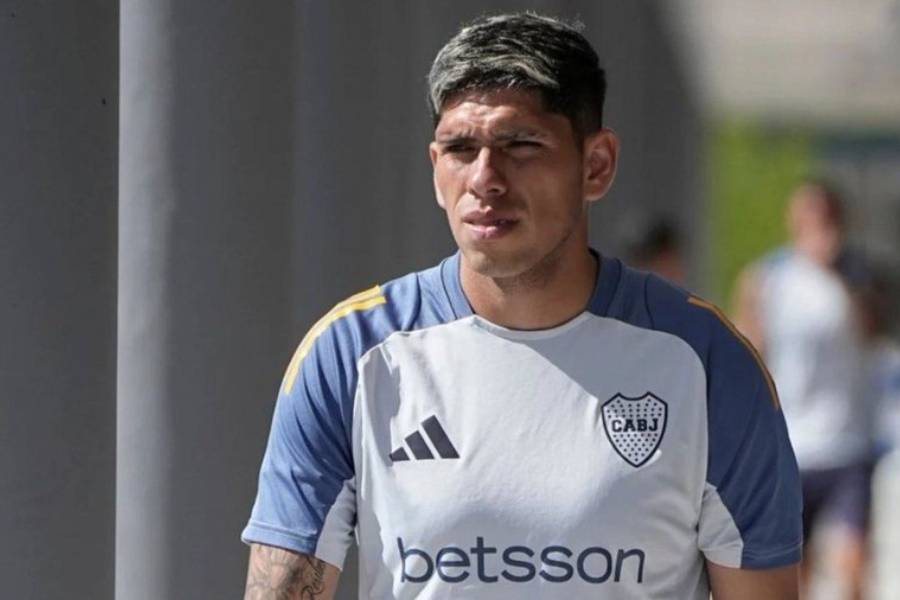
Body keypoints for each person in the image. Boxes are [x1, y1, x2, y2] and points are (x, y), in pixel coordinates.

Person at [242, 13, 802, 599]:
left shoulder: (707, 362)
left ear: (596, 165)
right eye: (460, 148)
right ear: (436, 170)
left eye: (521, 145)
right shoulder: (351, 354)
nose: (485, 178)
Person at [733, 180, 870, 599]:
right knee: (796, 569)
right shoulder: (768, 276)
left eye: (823, 217)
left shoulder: (857, 277)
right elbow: (745, 348)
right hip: (792, 442)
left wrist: (837, 275)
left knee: (851, 562)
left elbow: (873, 331)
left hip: (847, 442)